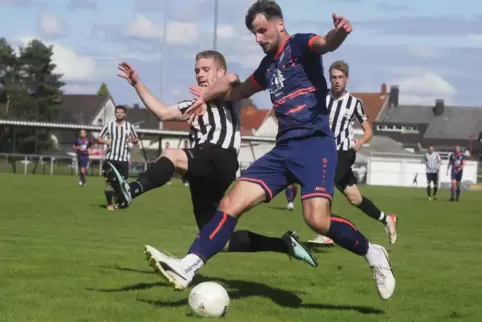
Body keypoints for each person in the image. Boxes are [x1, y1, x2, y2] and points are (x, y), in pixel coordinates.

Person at [148, 0, 395, 301]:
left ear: (279, 24)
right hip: (283, 149)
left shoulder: (301, 45)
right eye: (254, 33)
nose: (258, 39)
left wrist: (339, 32)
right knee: (230, 203)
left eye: (262, 31)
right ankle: (188, 266)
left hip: (315, 144)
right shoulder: (267, 67)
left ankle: (373, 253)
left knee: (316, 220)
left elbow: (326, 43)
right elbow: (238, 91)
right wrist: (206, 97)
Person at [105, 52, 316, 266]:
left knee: (171, 155)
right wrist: (136, 83)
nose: (200, 74)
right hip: (203, 169)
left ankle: (131, 190)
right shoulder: (195, 103)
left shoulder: (229, 94)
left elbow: (232, 78)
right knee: (215, 238)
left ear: (219, 72)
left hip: (218, 156)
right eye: (197, 70)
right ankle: (283, 244)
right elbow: (162, 113)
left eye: (206, 69)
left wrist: (205, 95)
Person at [307, 60, 397, 247]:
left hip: (344, 151)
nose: (337, 81)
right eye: (333, 78)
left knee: (325, 181)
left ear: (347, 79)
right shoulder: (322, 98)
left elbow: (368, 131)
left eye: (340, 77)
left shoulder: (355, 103)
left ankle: (327, 231)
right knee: (355, 198)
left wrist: (361, 142)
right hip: (325, 150)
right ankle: (387, 219)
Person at [97, 105, 139, 211]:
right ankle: (109, 204)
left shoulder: (129, 127)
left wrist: (131, 140)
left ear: (125, 114)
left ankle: (118, 201)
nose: (119, 114)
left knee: (122, 183)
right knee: (109, 181)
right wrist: (106, 141)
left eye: (121, 112)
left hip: (124, 159)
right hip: (111, 158)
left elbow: (136, 139)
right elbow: (99, 138)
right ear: (115, 114)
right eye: (117, 112)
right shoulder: (109, 126)